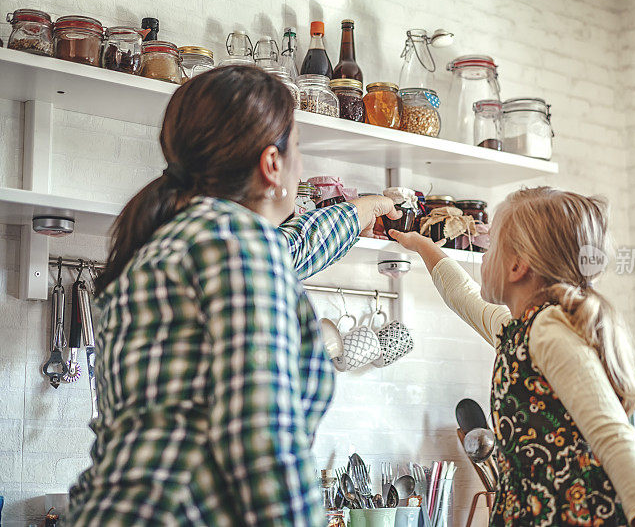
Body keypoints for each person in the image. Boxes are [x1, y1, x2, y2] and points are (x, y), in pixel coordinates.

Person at [67, 65, 400, 526]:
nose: (301, 164)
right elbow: (263, 440)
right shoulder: (239, 242)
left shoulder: (163, 243)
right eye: (298, 148)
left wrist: (365, 209)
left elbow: (297, 246)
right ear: (271, 164)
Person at [390, 187, 635, 527]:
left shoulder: (548, 330)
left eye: (490, 245)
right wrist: (421, 245)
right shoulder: (517, 329)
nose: (483, 254)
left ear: (517, 266)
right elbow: (462, 297)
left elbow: (614, 436)